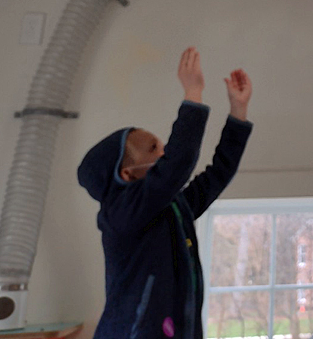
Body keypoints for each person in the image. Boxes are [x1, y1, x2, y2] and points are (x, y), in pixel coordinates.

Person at [77, 46, 253, 339]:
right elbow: (178, 163)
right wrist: (193, 93)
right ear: (127, 175)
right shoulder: (121, 214)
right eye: (154, 149)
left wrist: (238, 112)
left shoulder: (171, 208)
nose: (164, 153)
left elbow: (218, 174)